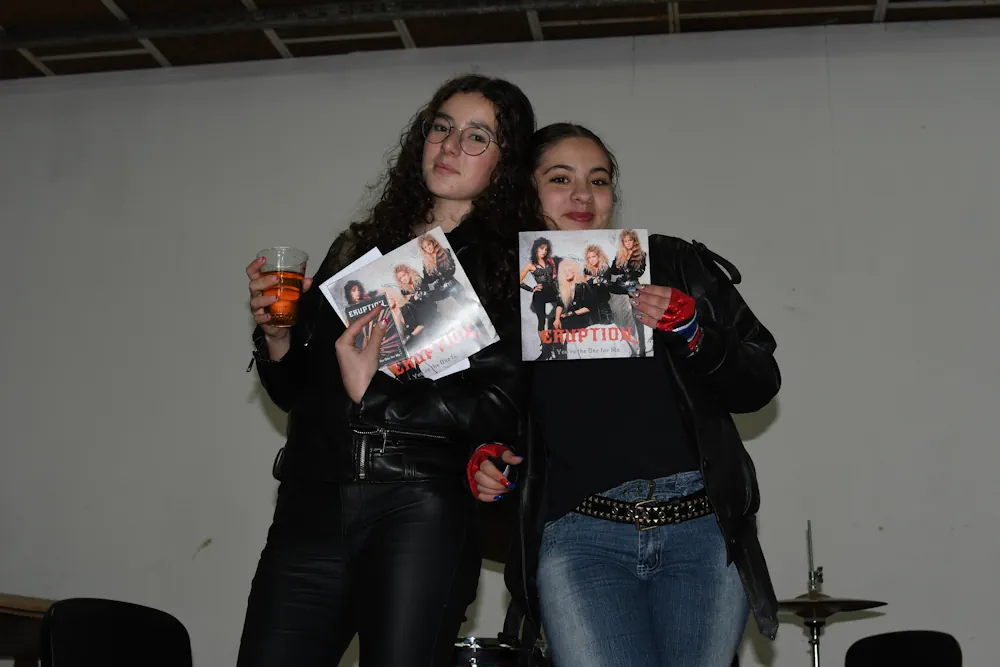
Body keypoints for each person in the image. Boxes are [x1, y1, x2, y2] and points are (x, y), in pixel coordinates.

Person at [238, 74, 539, 667]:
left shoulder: (509, 266)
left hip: (418, 508)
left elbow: (499, 406)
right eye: (441, 128)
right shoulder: (357, 248)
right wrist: (277, 337)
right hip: (310, 506)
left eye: (477, 136)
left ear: (506, 162)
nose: (450, 146)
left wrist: (374, 393)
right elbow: (297, 391)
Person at [472, 123, 781, 667]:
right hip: (580, 536)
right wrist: (488, 457)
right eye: (560, 178)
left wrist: (695, 331)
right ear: (526, 188)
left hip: (701, 533)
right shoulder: (504, 293)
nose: (583, 195)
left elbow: (760, 381)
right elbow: (488, 416)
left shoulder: (672, 261)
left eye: (598, 180)